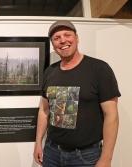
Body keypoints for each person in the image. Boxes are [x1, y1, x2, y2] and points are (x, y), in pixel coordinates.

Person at [34, 20, 121, 167]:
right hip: (51, 151)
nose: (62, 40)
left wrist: (106, 158)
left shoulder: (99, 69)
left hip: (85, 156)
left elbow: (111, 115)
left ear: (77, 38)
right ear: (53, 44)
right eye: (56, 38)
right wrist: (38, 143)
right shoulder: (49, 72)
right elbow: (44, 110)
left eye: (67, 34)